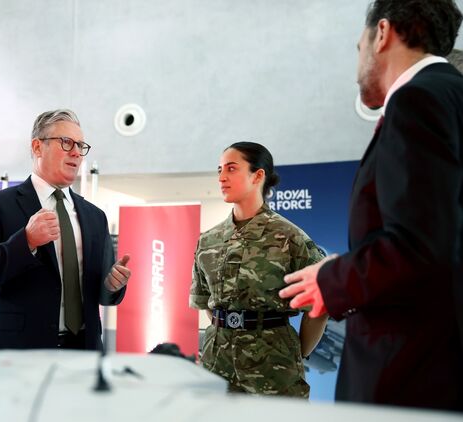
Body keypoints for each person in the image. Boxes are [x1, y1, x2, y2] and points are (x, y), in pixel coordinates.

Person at [279, 0, 463, 410]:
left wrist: (331, 279)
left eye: (358, 46)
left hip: (411, 373)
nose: (358, 61)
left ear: (382, 34)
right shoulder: (451, 95)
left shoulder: (419, 100)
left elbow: (421, 244)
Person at [0, 109, 131, 351]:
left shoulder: (95, 216)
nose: (76, 152)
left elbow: (101, 294)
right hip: (17, 352)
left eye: (80, 145)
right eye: (66, 142)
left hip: (83, 352)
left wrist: (112, 286)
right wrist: (26, 241)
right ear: (37, 147)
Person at [189, 142, 327, 397]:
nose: (221, 177)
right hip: (216, 365)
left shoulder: (291, 238)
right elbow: (206, 301)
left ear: (258, 175)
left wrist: (297, 353)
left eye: (231, 168)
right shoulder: (208, 241)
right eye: (219, 170)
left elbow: (318, 308)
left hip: (273, 369)